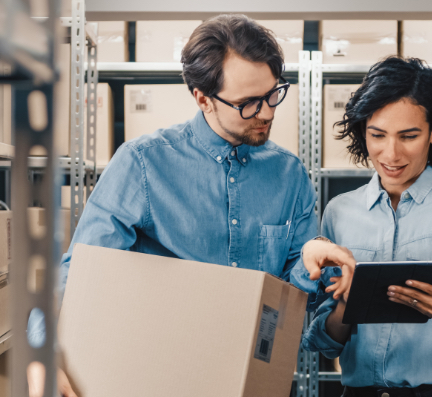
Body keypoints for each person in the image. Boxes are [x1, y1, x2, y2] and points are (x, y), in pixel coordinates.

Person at [27, 14, 318, 397]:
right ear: (202, 99)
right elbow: (79, 273)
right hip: (159, 382)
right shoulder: (143, 164)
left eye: (272, 94)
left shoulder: (290, 176)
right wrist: (40, 351)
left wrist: (312, 267)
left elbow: (293, 301)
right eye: (248, 103)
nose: (266, 112)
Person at [290, 57, 432, 397]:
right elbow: (327, 345)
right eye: (377, 135)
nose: (391, 153)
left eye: (408, 136)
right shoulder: (339, 211)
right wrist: (346, 303)